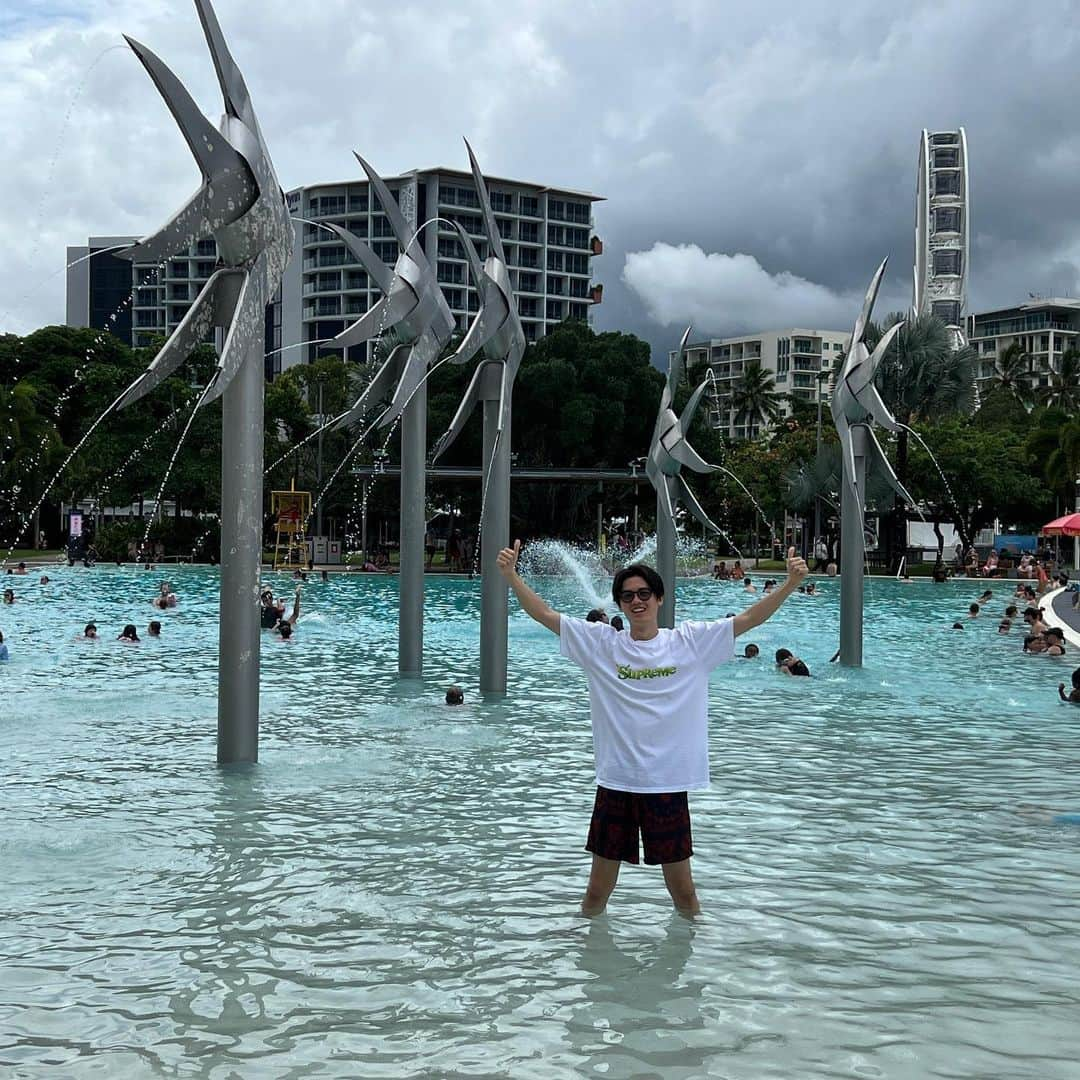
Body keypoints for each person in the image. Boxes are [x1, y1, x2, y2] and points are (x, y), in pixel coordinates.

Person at [496, 539, 808, 917]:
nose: (636, 601)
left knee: (685, 893)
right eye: (627, 596)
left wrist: (790, 584)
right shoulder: (601, 644)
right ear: (621, 605)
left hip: (667, 784)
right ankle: (589, 965)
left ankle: (693, 962)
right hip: (617, 782)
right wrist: (511, 576)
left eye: (644, 593)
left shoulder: (690, 643)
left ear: (659, 599)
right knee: (596, 893)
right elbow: (544, 614)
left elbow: (749, 620)